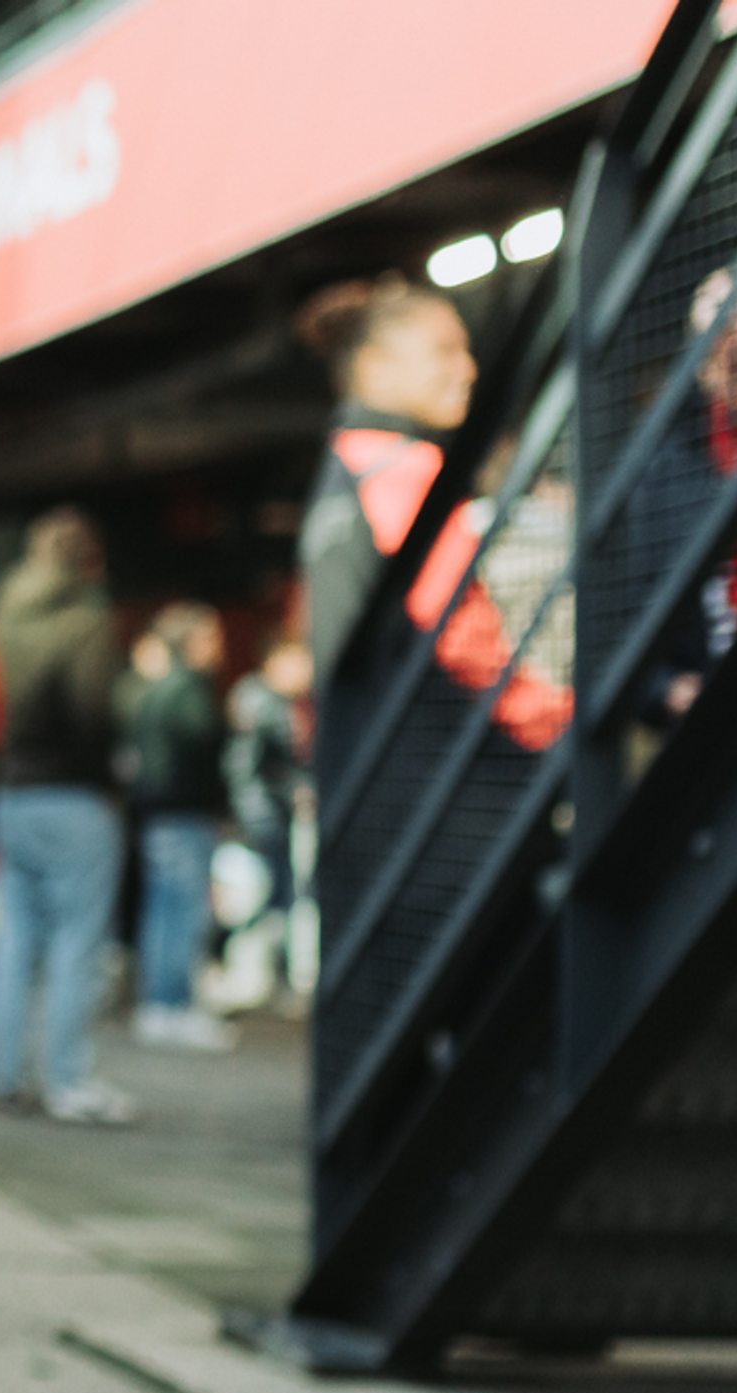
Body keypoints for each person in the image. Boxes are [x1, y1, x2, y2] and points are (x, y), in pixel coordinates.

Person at [0, 508, 135, 1125]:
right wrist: (109, 781)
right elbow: (92, 712)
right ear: (88, 559)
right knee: (78, 941)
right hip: (72, 794)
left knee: (14, 938)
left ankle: (7, 1073)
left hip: (12, 791)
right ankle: (68, 1079)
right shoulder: (88, 618)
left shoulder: (7, 608)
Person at [294, 275, 475, 688]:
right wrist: (556, 716)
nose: (468, 369)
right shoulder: (403, 467)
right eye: (445, 351)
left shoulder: (343, 465)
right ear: (376, 367)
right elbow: (463, 634)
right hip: (433, 741)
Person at [120, 603, 236, 1053]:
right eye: (210, 638)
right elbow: (203, 741)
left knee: (162, 911)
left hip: (157, 814)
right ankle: (174, 1006)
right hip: (183, 813)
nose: (218, 648)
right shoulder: (187, 690)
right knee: (184, 913)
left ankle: (158, 1005)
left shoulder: (151, 689)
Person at [220, 640, 312, 1001]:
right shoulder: (261, 703)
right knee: (264, 896)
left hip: (268, 813)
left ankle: (266, 975)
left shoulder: (275, 702)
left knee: (276, 895)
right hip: (262, 816)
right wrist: (289, 791)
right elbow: (246, 765)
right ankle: (254, 974)